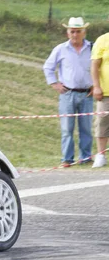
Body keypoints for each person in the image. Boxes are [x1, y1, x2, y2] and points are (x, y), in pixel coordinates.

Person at [43, 17, 93, 166]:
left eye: (78, 31)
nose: (75, 34)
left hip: (86, 93)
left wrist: (95, 85)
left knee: (86, 128)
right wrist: (54, 84)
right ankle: (67, 159)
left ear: (84, 32)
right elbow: (48, 67)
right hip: (67, 93)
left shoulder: (91, 47)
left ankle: (85, 157)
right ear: (68, 33)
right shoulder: (61, 49)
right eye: (72, 31)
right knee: (67, 128)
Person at [91, 26, 109, 168]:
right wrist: (96, 86)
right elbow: (95, 65)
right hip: (106, 92)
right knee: (102, 123)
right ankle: (101, 155)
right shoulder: (102, 40)